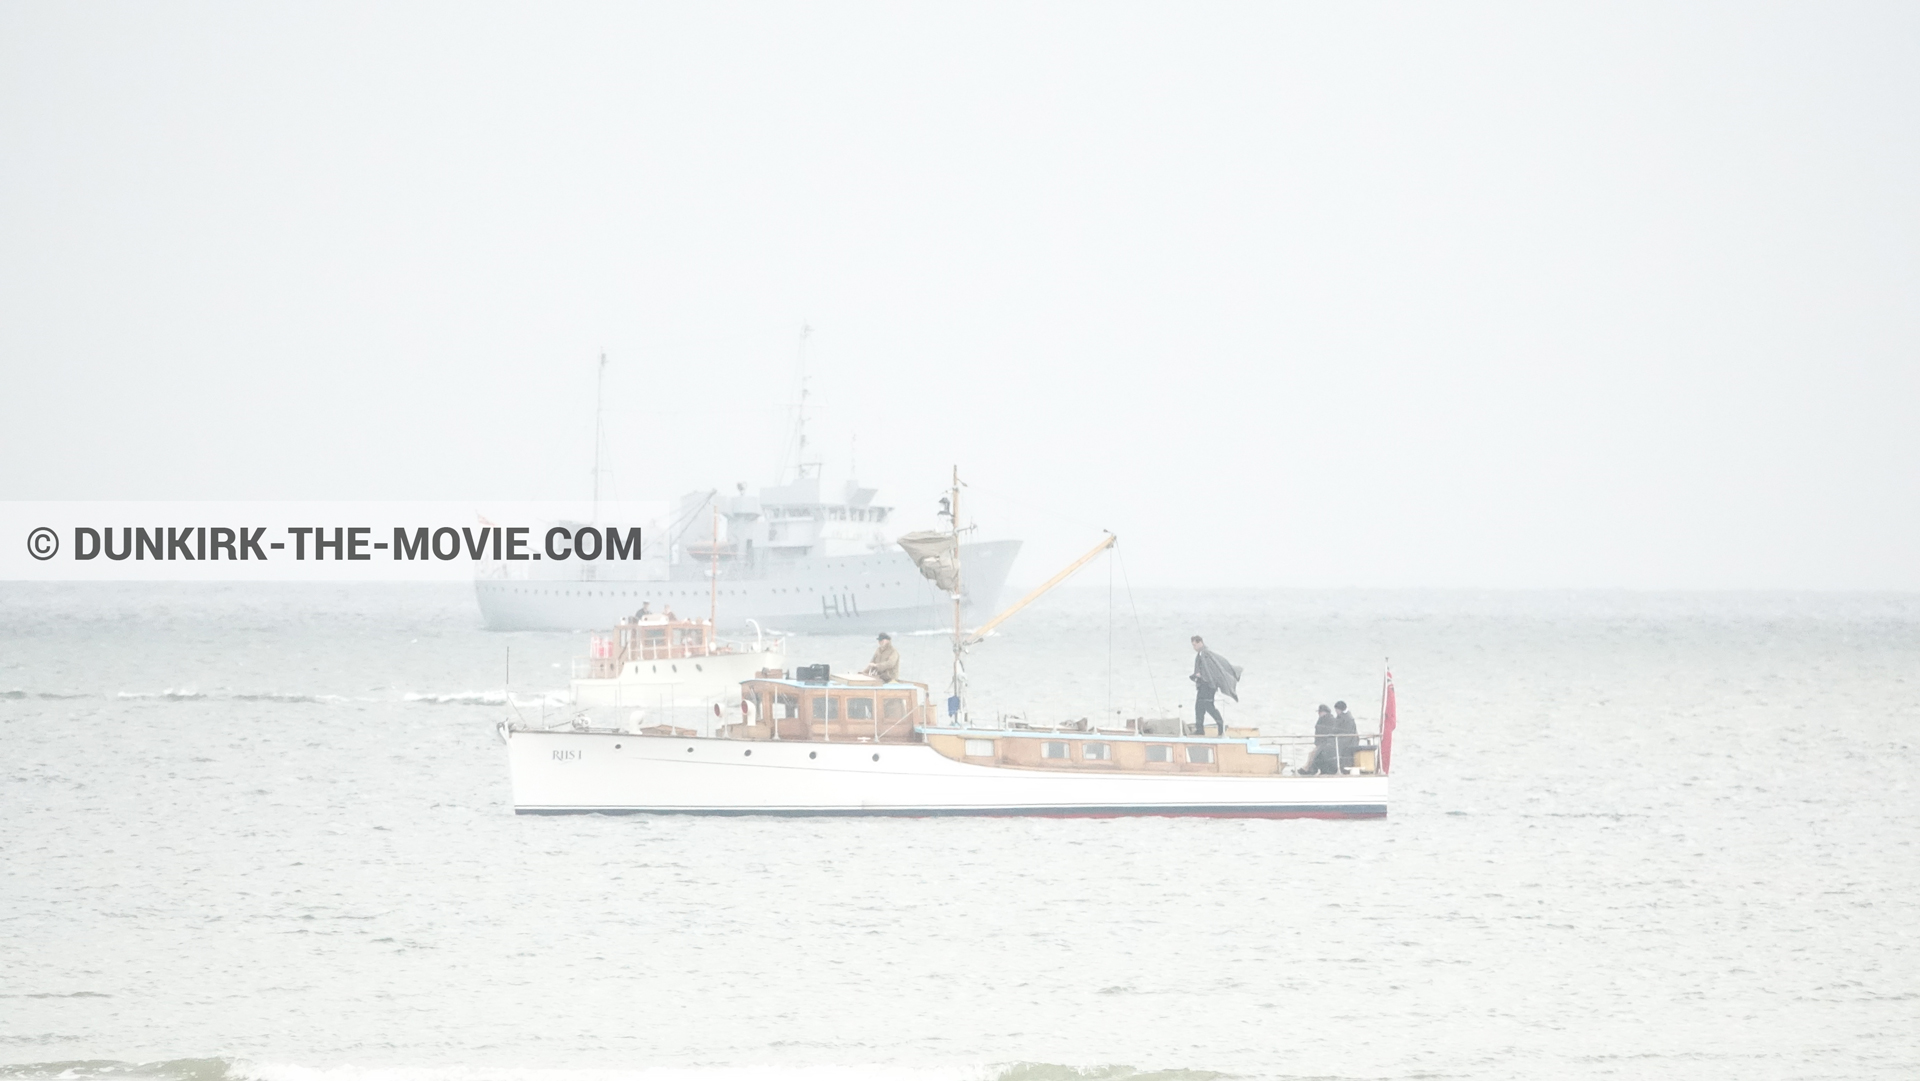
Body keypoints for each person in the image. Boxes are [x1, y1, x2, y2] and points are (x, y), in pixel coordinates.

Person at [1188, 635, 1242, 736]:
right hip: (1203, 685)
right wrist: (1197, 675)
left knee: (1208, 706)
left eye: (1195, 645)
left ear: (1200, 643)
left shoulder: (1205, 654)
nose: (1194, 647)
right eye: (1193, 645)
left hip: (1208, 686)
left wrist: (1202, 676)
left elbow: (1210, 670)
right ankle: (1200, 729)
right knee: (1199, 706)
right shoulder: (1202, 654)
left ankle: (1220, 725)